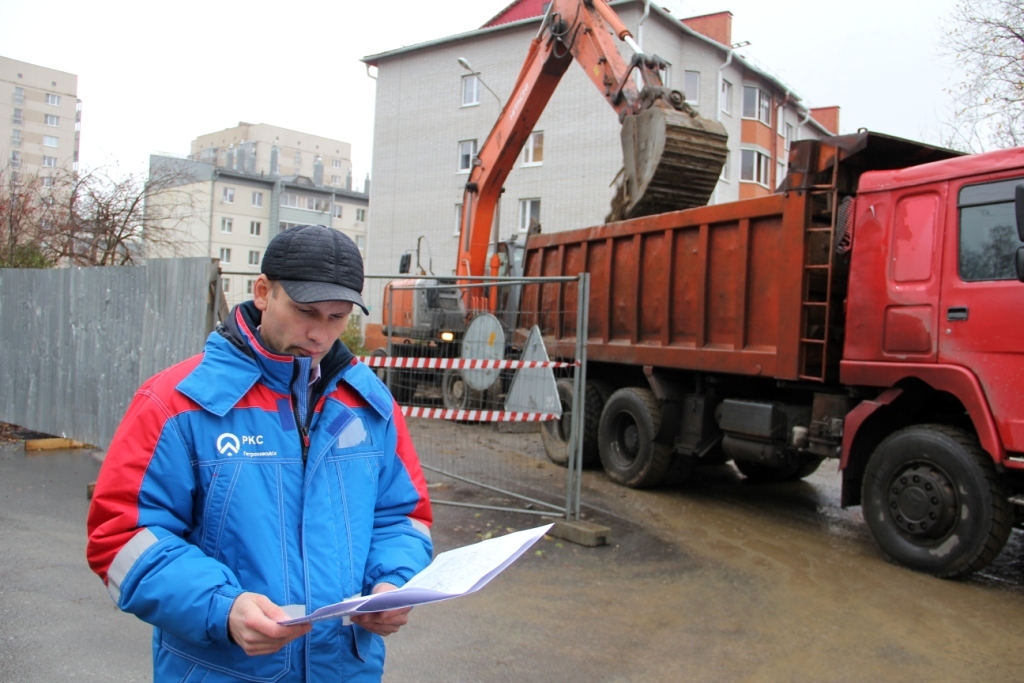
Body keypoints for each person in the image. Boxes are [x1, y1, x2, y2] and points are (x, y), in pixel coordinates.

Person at [87, 224, 433, 682]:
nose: (319, 334)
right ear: (263, 292)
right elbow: (122, 538)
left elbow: (401, 518)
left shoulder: (369, 404)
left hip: (345, 670)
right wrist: (223, 608)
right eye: (305, 311)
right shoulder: (176, 403)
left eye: (337, 316)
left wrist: (392, 583)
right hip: (222, 669)